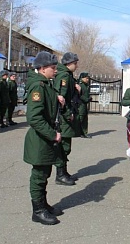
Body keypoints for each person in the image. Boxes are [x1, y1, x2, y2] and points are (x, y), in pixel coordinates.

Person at [23, 51, 64, 225]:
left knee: (45, 172)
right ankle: (37, 211)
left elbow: (46, 103)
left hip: (45, 138)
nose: (55, 71)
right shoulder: (38, 86)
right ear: (41, 69)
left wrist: (56, 98)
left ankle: (44, 204)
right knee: (39, 175)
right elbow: (34, 117)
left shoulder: (45, 84)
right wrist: (52, 134)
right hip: (40, 139)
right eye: (52, 68)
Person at [53, 52, 82, 185]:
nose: (76, 66)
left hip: (66, 114)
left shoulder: (68, 75)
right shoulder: (64, 76)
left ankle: (63, 171)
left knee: (66, 145)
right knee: (63, 146)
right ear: (68, 64)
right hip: (63, 116)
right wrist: (67, 113)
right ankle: (60, 175)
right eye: (75, 63)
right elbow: (62, 99)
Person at [78, 72, 92, 138]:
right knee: (80, 117)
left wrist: (89, 98)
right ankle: (79, 132)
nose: (87, 80)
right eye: (86, 78)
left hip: (84, 104)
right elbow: (79, 95)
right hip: (80, 104)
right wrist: (86, 99)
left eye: (88, 78)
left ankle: (84, 132)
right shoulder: (80, 85)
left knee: (84, 119)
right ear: (82, 78)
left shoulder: (86, 85)